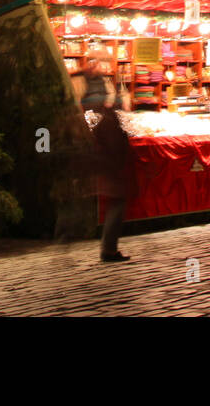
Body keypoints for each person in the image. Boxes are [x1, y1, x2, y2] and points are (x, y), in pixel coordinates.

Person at [73, 49, 134, 261]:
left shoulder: (97, 115)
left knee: (113, 202)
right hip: (110, 168)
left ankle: (107, 247)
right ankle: (108, 249)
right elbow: (118, 141)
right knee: (116, 203)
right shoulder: (106, 118)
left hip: (105, 166)